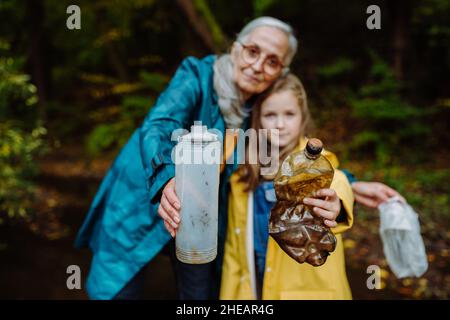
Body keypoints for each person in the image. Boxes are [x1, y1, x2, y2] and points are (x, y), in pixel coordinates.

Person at [74, 16, 299, 300]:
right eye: (253, 51)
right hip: (142, 194)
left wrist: (346, 185)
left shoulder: (264, 107)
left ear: (281, 71)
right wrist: (167, 177)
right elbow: (159, 124)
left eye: (272, 61)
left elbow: (295, 151)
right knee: (117, 288)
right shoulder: (197, 75)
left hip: (200, 215)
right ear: (235, 47)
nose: (257, 66)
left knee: (199, 296)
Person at [219, 74, 354, 300]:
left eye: (289, 114)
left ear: (302, 118)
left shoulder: (319, 168)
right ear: (257, 119)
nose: (280, 124)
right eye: (270, 115)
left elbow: (338, 183)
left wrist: (336, 206)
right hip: (254, 289)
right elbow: (235, 251)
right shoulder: (243, 175)